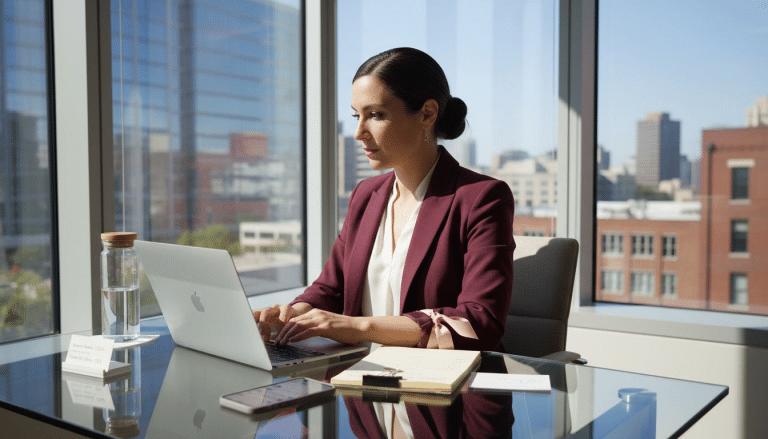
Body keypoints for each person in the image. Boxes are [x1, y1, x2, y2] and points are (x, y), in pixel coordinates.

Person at [254, 47, 515, 352]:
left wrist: (358, 327)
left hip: (443, 390)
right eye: (356, 115)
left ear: (427, 114)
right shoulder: (366, 195)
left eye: (376, 115)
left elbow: (478, 323)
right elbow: (330, 288)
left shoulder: (481, 199)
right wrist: (291, 314)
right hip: (361, 383)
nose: (358, 132)